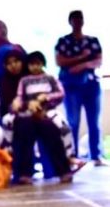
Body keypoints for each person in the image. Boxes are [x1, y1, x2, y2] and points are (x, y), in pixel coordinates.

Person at [11, 52, 73, 184]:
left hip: (48, 112)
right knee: (24, 133)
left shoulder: (50, 78)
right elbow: (20, 97)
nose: (35, 67)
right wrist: (21, 104)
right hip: (29, 114)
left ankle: (65, 169)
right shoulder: (24, 80)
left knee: (58, 130)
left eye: (38, 63)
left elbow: (61, 93)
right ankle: (25, 174)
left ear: (43, 64)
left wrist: (46, 97)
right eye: (32, 64)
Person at [55, 10, 104, 166]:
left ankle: (95, 155)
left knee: (94, 122)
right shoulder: (63, 41)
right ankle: (72, 155)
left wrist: (81, 64)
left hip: (91, 85)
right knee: (73, 121)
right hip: (70, 86)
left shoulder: (92, 40)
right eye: (75, 19)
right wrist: (82, 57)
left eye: (80, 19)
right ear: (70, 21)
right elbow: (60, 61)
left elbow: (98, 60)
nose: (78, 22)